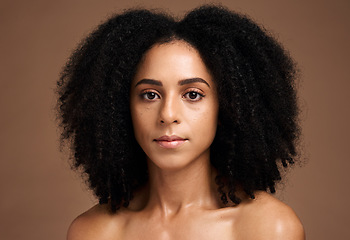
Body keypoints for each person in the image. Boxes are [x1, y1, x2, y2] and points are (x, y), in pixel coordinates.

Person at [57, 5, 305, 239]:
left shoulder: (269, 229)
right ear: (121, 108)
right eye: (150, 95)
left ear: (228, 107)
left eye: (193, 94)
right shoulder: (93, 232)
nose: (167, 114)